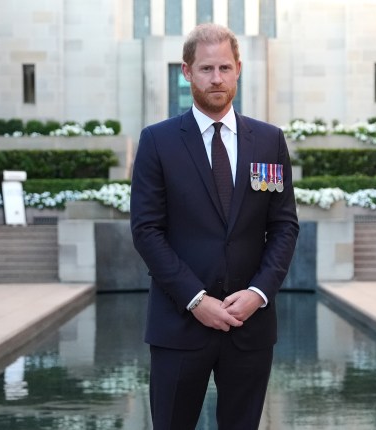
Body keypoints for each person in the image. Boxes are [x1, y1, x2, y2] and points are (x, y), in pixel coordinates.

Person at [130, 23, 299, 430]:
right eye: (206, 69)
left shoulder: (270, 141)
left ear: (238, 69)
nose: (217, 78)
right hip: (179, 324)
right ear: (187, 72)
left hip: (249, 325)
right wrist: (195, 299)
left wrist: (258, 293)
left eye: (225, 67)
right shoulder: (158, 142)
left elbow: (284, 226)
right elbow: (146, 230)